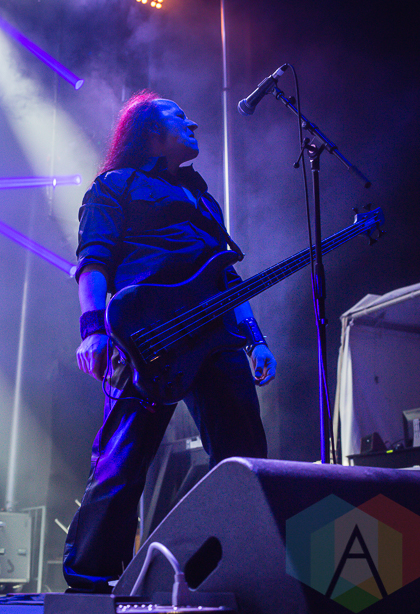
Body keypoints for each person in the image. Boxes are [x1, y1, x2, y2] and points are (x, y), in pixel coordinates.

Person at [63, 90, 276, 593]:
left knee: (244, 458)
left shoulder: (203, 197)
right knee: (123, 461)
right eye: (179, 116)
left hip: (217, 337)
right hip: (147, 332)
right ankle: (89, 582)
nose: (193, 123)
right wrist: (93, 330)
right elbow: (93, 260)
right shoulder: (116, 184)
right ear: (151, 131)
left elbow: (226, 276)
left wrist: (255, 339)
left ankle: (231, 573)